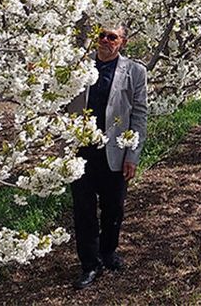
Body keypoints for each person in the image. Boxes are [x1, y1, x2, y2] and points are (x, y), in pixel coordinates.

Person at [66, 24, 148, 290]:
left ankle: (108, 252)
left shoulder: (135, 71)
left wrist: (132, 155)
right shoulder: (80, 67)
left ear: (122, 42)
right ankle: (90, 264)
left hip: (115, 151)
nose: (104, 40)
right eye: (101, 35)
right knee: (83, 211)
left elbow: (139, 114)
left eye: (112, 36)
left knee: (114, 208)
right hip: (81, 151)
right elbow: (62, 101)